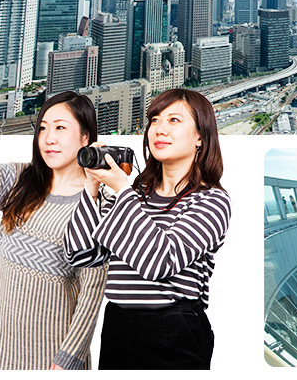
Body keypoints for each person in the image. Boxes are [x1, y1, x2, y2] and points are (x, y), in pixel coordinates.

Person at [64, 88, 232, 369]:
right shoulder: (135, 194)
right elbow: (81, 254)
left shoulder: (212, 200)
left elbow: (159, 263)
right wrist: (92, 187)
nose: (159, 129)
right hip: (118, 325)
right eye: (154, 120)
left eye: (174, 121)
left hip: (174, 329)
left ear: (200, 137)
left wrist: (121, 190)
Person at [0, 92, 107, 370]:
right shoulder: (22, 181)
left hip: (53, 356)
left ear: (85, 137)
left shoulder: (96, 205)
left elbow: (92, 294)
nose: (49, 138)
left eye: (60, 128)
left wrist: (68, 358)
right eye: (43, 128)